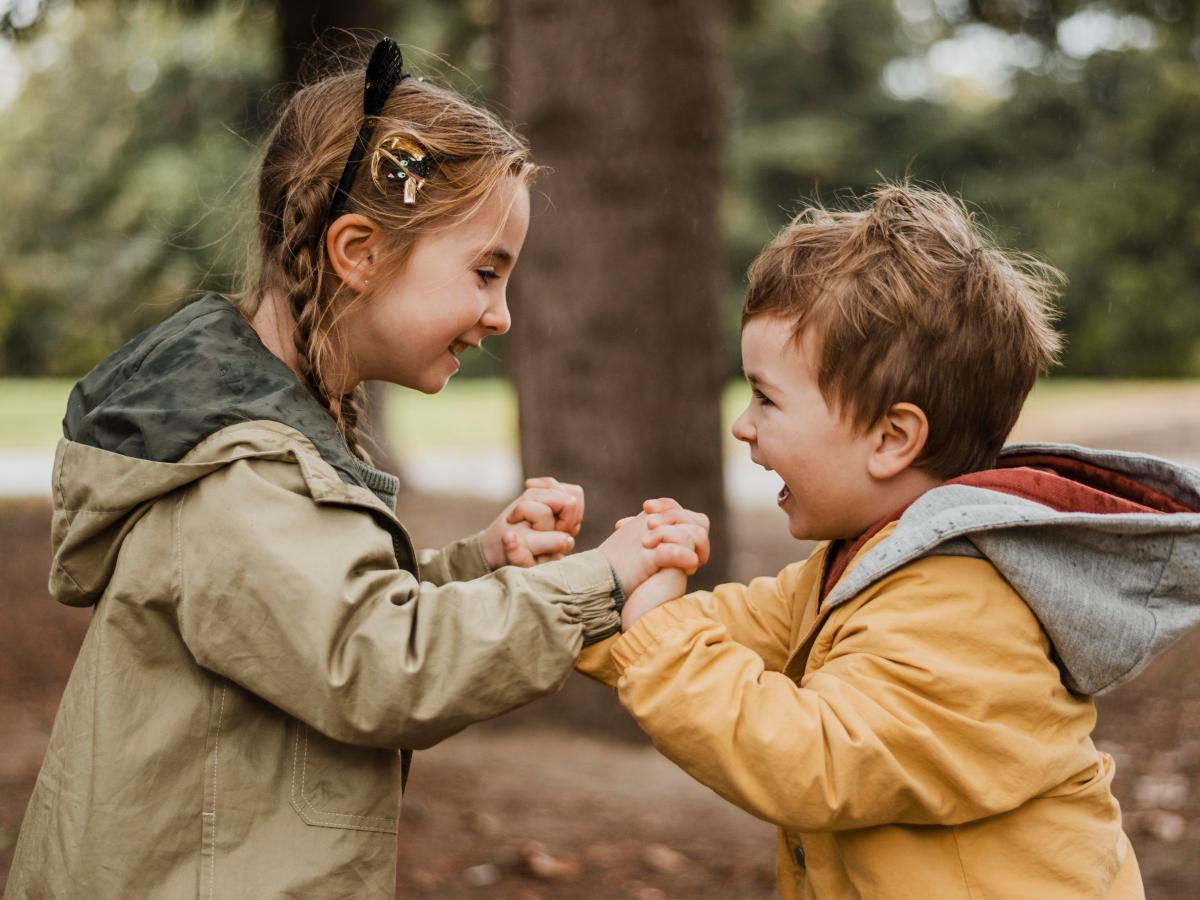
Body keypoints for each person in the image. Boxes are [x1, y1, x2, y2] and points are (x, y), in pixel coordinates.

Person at [7, 38, 709, 898]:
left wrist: (477, 564)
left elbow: (317, 615)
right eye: (485, 273)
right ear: (358, 251)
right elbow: (381, 666)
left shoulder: (253, 450)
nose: (501, 316)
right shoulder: (242, 472)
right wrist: (606, 577)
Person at [582, 183, 1200, 899]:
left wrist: (654, 630)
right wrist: (586, 592)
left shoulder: (962, 609)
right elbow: (732, 627)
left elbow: (813, 760)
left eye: (766, 398)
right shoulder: (864, 562)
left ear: (891, 438)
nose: (742, 425)